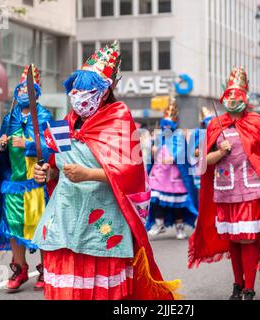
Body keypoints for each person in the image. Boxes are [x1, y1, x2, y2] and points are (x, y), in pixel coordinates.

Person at [32, 41, 180, 301]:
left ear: (106, 89)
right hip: (65, 218)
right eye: (77, 87)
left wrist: (89, 174)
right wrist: (46, 173)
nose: (79, 93)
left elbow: (133, 174)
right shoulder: (65, 124)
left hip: (101, 223)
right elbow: (56, 168)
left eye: (88, 87)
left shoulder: (119, 117)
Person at [188, 66, 260, 300]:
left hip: (251, 190)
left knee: (247, 237)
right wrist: (219, 153)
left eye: (237, 94)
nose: (232, 99)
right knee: (233, 238)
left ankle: (249, 288)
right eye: (228, 95)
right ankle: (237, 285)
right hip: (224, 192)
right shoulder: (213, 125)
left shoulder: (258, 122)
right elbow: (199, 161)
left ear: (245, 97)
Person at [0, 65, 53, 291]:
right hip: (13, 183)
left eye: (29, 90)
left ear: (37, 92)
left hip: (36, 183)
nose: (24, 94)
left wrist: (29, 144)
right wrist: (2, 145)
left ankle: (46, 269)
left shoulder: (44, 116)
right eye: (21, 90)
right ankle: (20, 269)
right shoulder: (9, 117)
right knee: (13, 226)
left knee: (39, 226)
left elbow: (51, 147)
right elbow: (0, 147)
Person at [146, 100, 199, 240]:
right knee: (155, 198)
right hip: (159, 174)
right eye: (165, 123)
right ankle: (159, 224)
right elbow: (152, 152)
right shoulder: (158, 135)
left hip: (174, 175)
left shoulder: (179, 136)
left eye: (169, 123)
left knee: (177, 204)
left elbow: (182, 151)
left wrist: (174, 158)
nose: (167, 126)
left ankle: (180, 228)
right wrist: (153, 151)